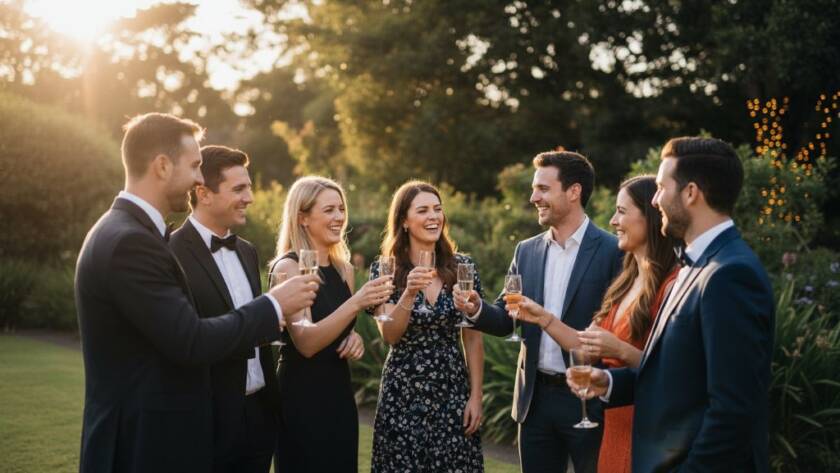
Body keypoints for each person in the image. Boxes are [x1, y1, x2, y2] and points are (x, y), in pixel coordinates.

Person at [74, 113, 319, 473]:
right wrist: (273, 305)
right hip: (139, 446)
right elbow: (189, 339)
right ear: (161, 166)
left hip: (161, 437)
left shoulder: (129, 232)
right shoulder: (131, 241)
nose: (199, 179)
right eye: (193, 166)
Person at [569, 137, 774, 473]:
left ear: (691, 193)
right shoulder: (694, 266)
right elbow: (679, 377)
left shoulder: (731, 274)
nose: (655, 199)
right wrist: (609, 383)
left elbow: (732, 411)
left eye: (662, 187)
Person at [455, 150, 622, 473]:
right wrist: (476, 309)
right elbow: (506, 320)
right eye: (535, 189)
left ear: (574, 192)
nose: (534, 197)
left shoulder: (612, 251)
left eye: (543, 189)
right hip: (535, 400)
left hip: (588, 399)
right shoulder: (526, 250)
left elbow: (616, 331)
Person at [514, 175, 679, 473]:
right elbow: (585, 346)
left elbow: (674, 372)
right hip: (615, 420)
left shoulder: (672, 285)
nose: (613, 220)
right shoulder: (625, 282)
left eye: (622, 211)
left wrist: (618, 349)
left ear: (651, 217)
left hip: (646, 425)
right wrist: (543, 318)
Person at [269, 176, 392, 473]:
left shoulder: (344, 270)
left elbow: (338, 331)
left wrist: (355, 341)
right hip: (300, 396)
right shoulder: (288, 267)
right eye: (329, 210)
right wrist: (357, 301)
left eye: (341, 209)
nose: (339, 217)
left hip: (338, 394)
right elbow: (307, 343)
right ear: (303, 218)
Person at [169, 145, 280, 472]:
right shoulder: (170, 254)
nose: (250, 197)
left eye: (249, 187)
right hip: (208, 420)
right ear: (203, 193)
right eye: (239, 189)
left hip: (259, 414)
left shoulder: (247, 252)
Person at [368, 180, 485, 472]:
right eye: (423, 210)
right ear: (404, 221)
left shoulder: (462, 268)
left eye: (437, 209)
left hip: (452, 388)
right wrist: (408, 293)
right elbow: (390, 335)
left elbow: (473, 339)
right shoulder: (385, 269)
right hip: (403, 390)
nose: (433, 216)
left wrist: (475, 397)